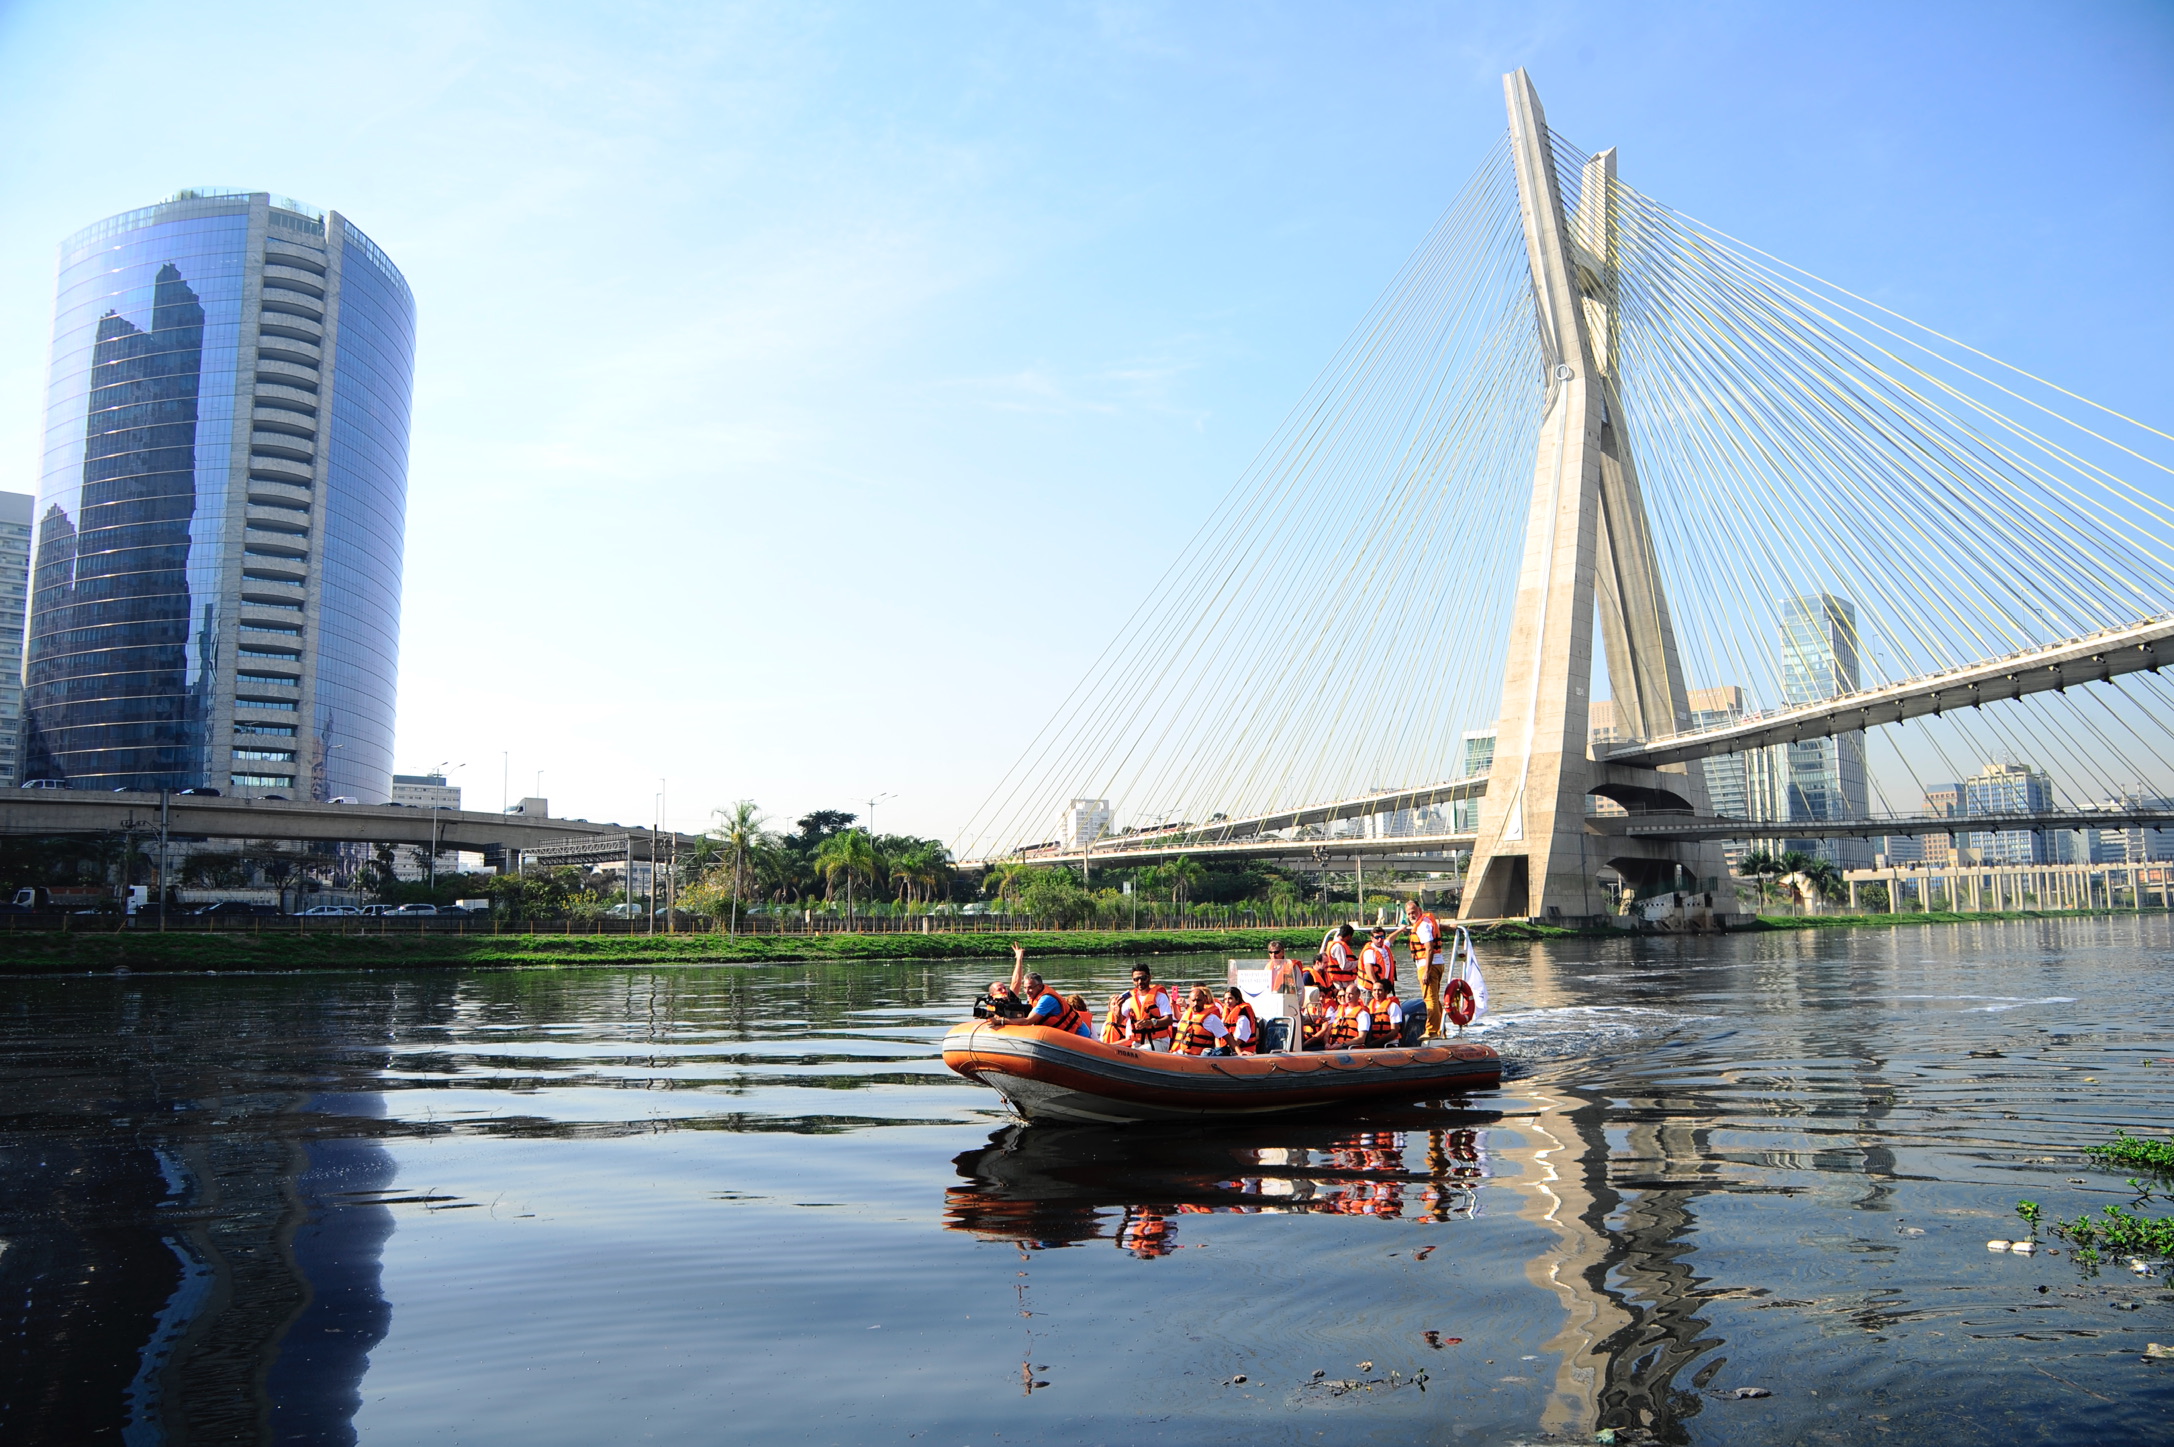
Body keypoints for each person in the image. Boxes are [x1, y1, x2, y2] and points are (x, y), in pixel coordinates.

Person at [1118, 964, 1175, 1050]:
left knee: (1142, 1051)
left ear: (1149, 977)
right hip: (1138, 1042)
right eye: (1136, 979)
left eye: (1143, 978)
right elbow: (1119, 1022)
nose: (1140, 982)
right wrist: (1119, 1007)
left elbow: (1169, 1020)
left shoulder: (1160, 997)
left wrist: (1151, 1022)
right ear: (1133, 981)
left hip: (1159, 1041)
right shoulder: (1129, 999)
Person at [1410, 900, 1445, 1036]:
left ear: (1419, 910)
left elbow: (1429, 949)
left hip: (1428, 965)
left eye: (1413, 912)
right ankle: (1441, 1029)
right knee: (1434, 999)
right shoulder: (1426, 922)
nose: (1411, 915)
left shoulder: (1421, 926)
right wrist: (1451, 927)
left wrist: (1426, 971)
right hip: (1437, 963)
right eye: (1409, 914)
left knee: (1430, 1000)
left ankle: (1431, 1031)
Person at [1171, 985, 1232, 1055]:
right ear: (1189, 1000)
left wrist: (1239, 1053)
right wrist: (1173, 1005)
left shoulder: (1212, 1018)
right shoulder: (1187, 1013)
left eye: (1199, 1000)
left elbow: (1227, 1037)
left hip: (1198, 1056)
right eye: (1193, 1000)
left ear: (1205, 999)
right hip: (1180, 1053)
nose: (1196, 1003)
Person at [1358, 925, 1406, 992]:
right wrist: (1376, 984)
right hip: (1369, 989)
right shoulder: (1370, 951)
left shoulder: (1384, 947)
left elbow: (1390, 939)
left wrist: (1399, 930)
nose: (1380, 939)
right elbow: (1368, 968)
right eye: (1377, 937)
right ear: (1372, 938)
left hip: (1382, 987)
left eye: (1382, 937)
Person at [1218, 986, 1260, 1055]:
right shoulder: (1224, 1018)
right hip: (1228, 1051)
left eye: (1230, 998)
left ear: (1237, 1000)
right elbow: (1217, 1036)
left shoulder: (1243, 1019)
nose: (1227, 1001)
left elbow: (1237, 1042)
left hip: (1244, 1053)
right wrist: (1218, 1049)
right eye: (1225, 999)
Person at [1319, 924, 1360, 991]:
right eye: (1350, 937)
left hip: (1342, 980)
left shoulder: (1336, 944)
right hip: (1340, 982)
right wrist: (1359, 962)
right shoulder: (1338, 946)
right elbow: (1344, 966)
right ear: (1348, 936)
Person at [1366, 978, 1404, 1048]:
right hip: (1372, 1042)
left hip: (1389, 1044)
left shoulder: (1393, 1006)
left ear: (1386, 992)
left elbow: (1394, 1031)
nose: (1376, 993)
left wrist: (1376, 1043)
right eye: (1374, 990)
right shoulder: (1370, 1006)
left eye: (1380, 990)